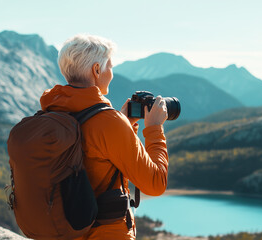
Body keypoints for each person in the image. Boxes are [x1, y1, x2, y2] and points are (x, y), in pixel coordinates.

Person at [39, 34, 169, 240]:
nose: (112, 73)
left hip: (63, 232)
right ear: (96, 70)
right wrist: (154, 128)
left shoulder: (52, 114)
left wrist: (126, 124)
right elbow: (155, 183)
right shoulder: (108, 122)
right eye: (110, 66)